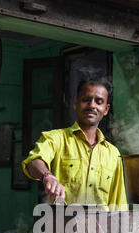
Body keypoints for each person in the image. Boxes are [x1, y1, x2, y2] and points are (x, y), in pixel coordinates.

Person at [21, 77, 127, 210]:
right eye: (86, 100)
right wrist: (47, 176)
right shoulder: (55, 139)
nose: (92, 105)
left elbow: (119, 205)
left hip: (102, 229)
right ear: (75, 103)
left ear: (106, 109)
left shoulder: (113, 153)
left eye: (98, 102)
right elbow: (34, 161)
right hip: (61, 227)